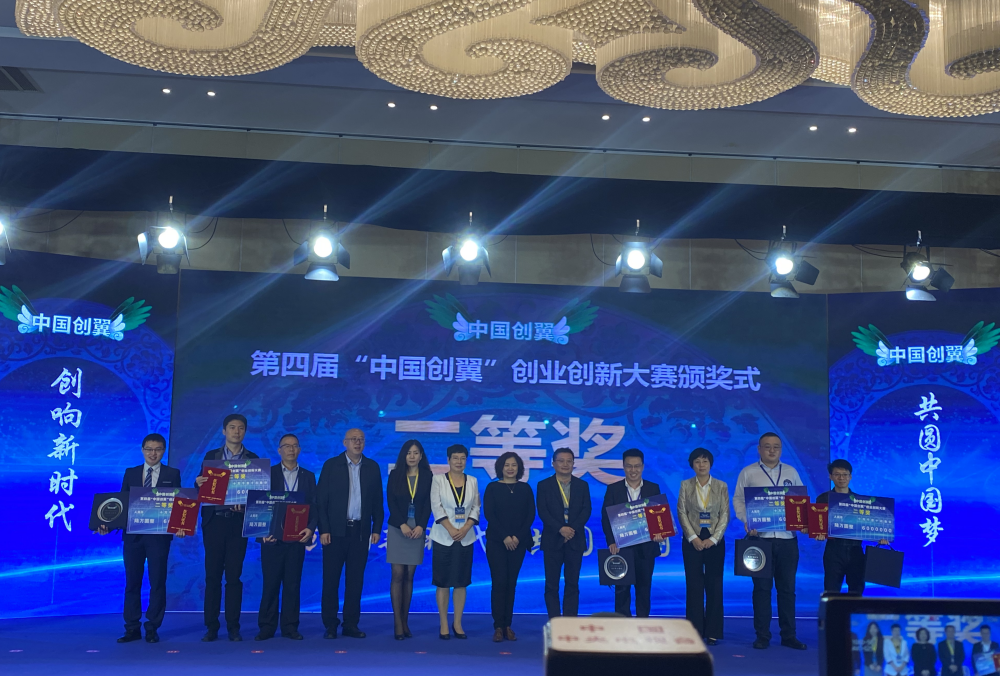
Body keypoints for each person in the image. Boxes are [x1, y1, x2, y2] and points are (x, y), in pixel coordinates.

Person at [98, 433, 184, 643]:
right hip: (133, 537)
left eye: (157, 449)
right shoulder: (131, 472)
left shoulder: (172, 473)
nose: (153, 453)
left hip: (159, 537)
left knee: (157, 582)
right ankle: (132, 628)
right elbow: (122, 503)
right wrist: (109, 525)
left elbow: (179, 503)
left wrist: (181, 525)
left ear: (163, 451)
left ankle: (153, 627)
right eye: (149, 449)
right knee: (132, 582)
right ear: (142, 450)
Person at [733, 432, 807, 650]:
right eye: (767, 446)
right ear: (759, 449)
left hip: (787, 540)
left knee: (787, 590)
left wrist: (803, 521)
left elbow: (801, 501)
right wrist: (746, 519)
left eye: (776, 447)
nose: (772, 450)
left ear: (781, 449)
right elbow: (738, 499)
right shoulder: (748, 472)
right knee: (761, 590)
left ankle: (789, 635)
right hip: (760, 540)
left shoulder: (791, 471)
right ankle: (762, 635)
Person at [195, 413, 259, 642]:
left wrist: (248, 503)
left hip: (237, 523)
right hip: (214, 522)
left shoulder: (253, 459)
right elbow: (201, 486)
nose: (236, 431)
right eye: (232, 427)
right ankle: (211, 627)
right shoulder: (211, 456)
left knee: (234, 577)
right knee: (212, 576)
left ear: (245, 432)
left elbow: (258, 495)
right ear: (224, 431)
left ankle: (233, 626)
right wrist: (198, 483)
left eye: (240, 428)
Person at [317, 428, 384, 639]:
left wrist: (376, 528)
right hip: (334, 533)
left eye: (361, 439)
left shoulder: (372, 467)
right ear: (344, 442)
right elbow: (321, 501)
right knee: (331, 580)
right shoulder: (331, 465)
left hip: (360, 533)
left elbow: (377, 502)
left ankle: (351, 624)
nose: (357, 442)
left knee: (355, 581)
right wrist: (324, 529)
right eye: (353, 439)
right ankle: (330, 624)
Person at [255, 434, 317, 642]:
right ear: (279, 450)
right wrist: (262, 534)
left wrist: (310, 529)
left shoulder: (308, 476)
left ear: (299, 450)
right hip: (272, 539)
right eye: (286, 446)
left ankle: (290, 627)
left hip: (297, 539)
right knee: (270, 585)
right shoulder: (268, 474)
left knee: (293, 585)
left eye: (295, 446)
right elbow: (258, 504)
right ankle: (266, 627)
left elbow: (314, 505)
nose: (291, 449)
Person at [601, 449, 664, 618]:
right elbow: (606, 518)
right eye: (629, 466)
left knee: (644, 589)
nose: (633, 470)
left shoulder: (653, 488)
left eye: (637, 466)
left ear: (642, 467)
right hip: (621, 547)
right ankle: (622, 625)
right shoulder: (613, 489)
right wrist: (611, 541)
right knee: (621, 590)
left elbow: (659, 516)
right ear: (623, 466)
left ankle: (642, 624)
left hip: (647, 547)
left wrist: (659, 533)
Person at [677, 448, 729, 645]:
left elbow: (725, 514)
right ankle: (695, 630)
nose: (701, 465)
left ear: (710, 464)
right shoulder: (685, 485)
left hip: (715, 541)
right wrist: (693, 538)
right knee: (694, 586)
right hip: (692, 541)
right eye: (697, 461)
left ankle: (713, 631)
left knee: (714, 586)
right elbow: (682, 512)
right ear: (692, 465)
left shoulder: (721, 486)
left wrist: (714, 539)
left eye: (705, 461)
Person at [484, 452, 536, 642]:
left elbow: (530, 515)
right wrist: (505, 536)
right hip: (497, 542)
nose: (510, 468)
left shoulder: (525, 488)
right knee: (499, 582)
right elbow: (489, 514)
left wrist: (517, 537)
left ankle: (508, 625)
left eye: (514, 465)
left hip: (519, 543)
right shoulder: (492, 488)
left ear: (519, 468)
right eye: (507, 465)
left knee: (511, 583)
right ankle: (498, 626)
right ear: (500, 467)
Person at [814, 459, 887, 594]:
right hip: (833, 550)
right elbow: (818, 523)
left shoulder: (861, 501)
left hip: (856, 550)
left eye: (845, 474)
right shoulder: (823, 499)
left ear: (850, 476)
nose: (841, 478)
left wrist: (880, 537)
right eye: (837, 474)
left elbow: (870, 525)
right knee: (831, 590)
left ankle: (853, 610)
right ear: (830, 476)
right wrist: (818, 533)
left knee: (856, 590)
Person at [430, 444, 480, 640]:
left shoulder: (473, 480)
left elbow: (476, 507)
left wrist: (466, 528)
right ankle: (443, 622)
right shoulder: (438, 480)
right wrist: (451, 529)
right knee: (442, 582)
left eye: (462, 458)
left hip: (466, 538)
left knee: (461, 582)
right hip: (444, 536)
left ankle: (457, 622)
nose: (459, 462)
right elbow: (436, 506)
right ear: (448, 460)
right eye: (455, 458)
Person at [385, 439, 432, 640]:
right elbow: (391, 502)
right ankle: (397, 622)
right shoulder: (395, 474)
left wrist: (421, 525)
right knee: (397, 574)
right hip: (398, 528)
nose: (412, 456)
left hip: (417, 530)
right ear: (403, 455)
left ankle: (405, 621)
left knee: (409, 576)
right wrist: (402, 524)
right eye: (409, 453)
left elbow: (429, 504)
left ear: (421, 456)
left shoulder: (428, 476)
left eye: (416, 453)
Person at [536, 448, 591, 619]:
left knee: (572, 584)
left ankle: (570, 622)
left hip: (575, 540)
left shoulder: (582, 485)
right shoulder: (544, 485)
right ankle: (554, 621)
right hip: (552, 540)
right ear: (553, 464)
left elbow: (586, 510)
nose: (565, 464)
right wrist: (561, 529)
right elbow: (543, 511)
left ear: (574, 464)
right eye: (561, 461)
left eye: (569, 461)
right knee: (551, 585)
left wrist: (571, 529)